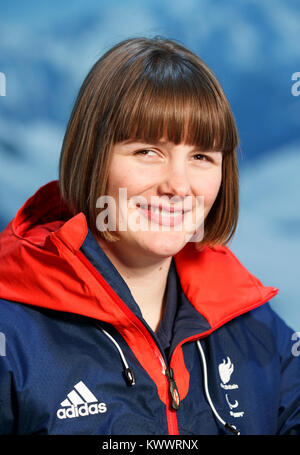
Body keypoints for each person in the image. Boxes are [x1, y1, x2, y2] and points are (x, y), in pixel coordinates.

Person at [0, 35, 299, 436]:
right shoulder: (13, 337)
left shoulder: (256, 332)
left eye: (201, 157)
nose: (178, 185)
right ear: (91, 157)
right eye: (147, 152)